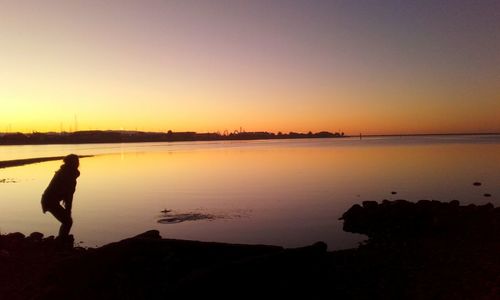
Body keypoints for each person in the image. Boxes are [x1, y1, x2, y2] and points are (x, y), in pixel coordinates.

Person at [41, 154, 80, 241]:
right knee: (68, 221)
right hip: (50, 201)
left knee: (67, 221)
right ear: (72, 163)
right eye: (76, 161)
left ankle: (62, 239)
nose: (78, 163)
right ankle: (61, 240)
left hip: (50, 200)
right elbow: (69, 196)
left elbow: (68, 195)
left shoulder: (65, 172)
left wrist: (68, 211)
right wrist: (68, 211)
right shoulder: (67, 175)